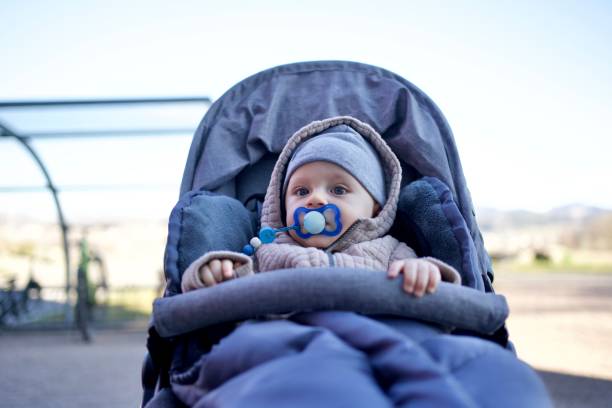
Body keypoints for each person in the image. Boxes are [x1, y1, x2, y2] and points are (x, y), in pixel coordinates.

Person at [181, 116, 461, 295]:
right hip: (283, 344)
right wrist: (215, 273)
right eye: (301, 191)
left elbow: (442, 299)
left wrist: (426, 271)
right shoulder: (268, 252)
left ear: (377, 208)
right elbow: (225, 296)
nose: (315, 199)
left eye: (338, 189)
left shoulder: (392, 253)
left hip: (369, 340)